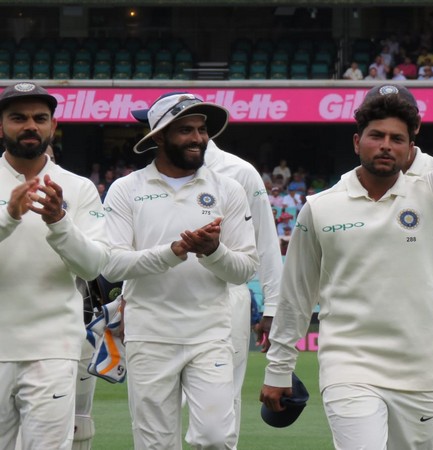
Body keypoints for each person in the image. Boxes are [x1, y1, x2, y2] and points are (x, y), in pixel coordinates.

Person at [260, 29, 433, 450]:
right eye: (376, 136)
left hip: (421, 371)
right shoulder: (319, 207)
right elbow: (296, 295)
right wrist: (278, 368)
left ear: (411, 148)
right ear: (357, 141)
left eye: (397, 139)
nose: (385, 146)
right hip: (349, 365)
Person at [101, 93, 259, 448]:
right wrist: (174, 252)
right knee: (156, 443)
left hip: (210, 333)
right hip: (149, 333)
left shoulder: (227, 189)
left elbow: (245, 268)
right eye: (186, 130)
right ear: (158, 136)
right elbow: (111, 263)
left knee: (216, 438)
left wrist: (213, 251)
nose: (198, 138)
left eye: (202, 130)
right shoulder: (127, 190)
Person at [0, 82, 110, 449]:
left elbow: (94, 264)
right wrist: (9, 217)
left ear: (52, 126)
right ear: (1, 126)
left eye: (39, 118)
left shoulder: (78, 189)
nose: (30, 125)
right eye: (18, 118)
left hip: (54, 347)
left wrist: (60, 222)